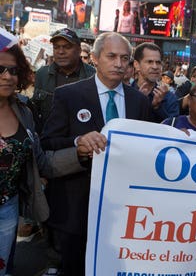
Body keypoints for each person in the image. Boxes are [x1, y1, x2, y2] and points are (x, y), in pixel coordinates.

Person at [40, 32, 153, 276]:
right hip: (77, 207)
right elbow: (47, 143)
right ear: (94, 58)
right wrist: (78, 142)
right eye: (111, 56)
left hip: (123, 211)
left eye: (124, 58)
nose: (119, 63)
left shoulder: (139, 102)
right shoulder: (69, 95)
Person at [0, 39, 49, 276]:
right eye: (0, 69)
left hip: (7, 209)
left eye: (13, 70)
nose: (8, 76)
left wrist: (81, 150)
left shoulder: (24, 111)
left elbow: (41, 161)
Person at [31, 28, 95, 133]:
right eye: (56, 47)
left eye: (67, 47)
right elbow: (35, 111)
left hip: (79, 143)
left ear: (79, 50)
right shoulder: (42, 74)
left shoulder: (92, 76)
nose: (61, 52)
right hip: (48, 142)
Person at [131, 43, 179, 122]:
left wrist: (157, 108)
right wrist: (138, 103)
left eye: (158, 62)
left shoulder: (169, 98)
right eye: (149, 62)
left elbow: (171, 130)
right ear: (136, 65)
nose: (155, 67)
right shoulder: (124, 94)